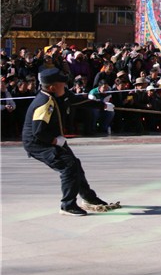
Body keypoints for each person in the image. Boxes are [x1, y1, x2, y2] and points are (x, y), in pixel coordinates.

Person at [22, 68, 116, 216]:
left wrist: (102, 105)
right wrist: (54, 141)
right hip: (39, 143)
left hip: (52, 138)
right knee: (68, 166)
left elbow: (78, 100)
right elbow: (38, 131)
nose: (65, 86)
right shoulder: (44, 103)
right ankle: (67, 205)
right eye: (62, 84)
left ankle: (89, 198)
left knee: (74, 164)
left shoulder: (61, 94)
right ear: (52, 87)